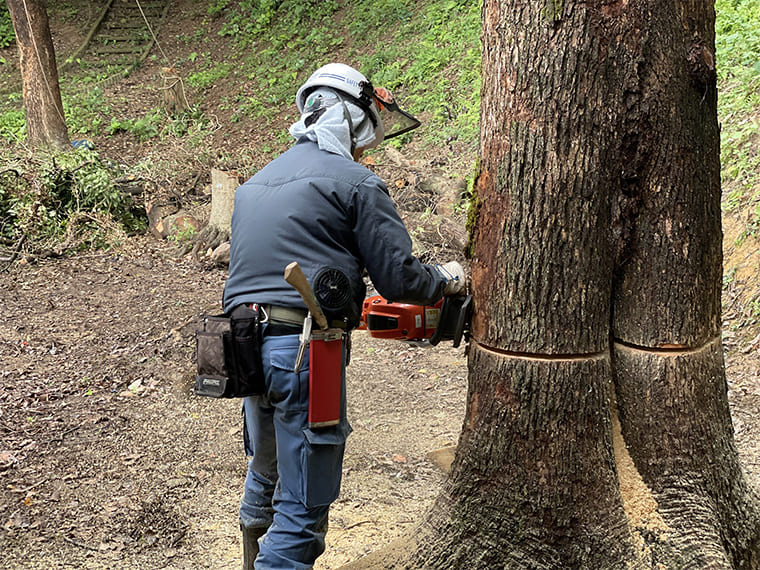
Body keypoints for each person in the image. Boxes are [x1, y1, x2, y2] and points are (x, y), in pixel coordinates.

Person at [222, 62, 466, 570]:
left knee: (265, 472)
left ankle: (248, 556)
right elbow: (401, 280)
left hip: (242, 347)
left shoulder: (253, 185)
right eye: (365, 135)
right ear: (350, 120)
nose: (364, 149)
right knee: (304, 509)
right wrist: (448, 277)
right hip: (307, 352)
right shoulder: (356, 183)